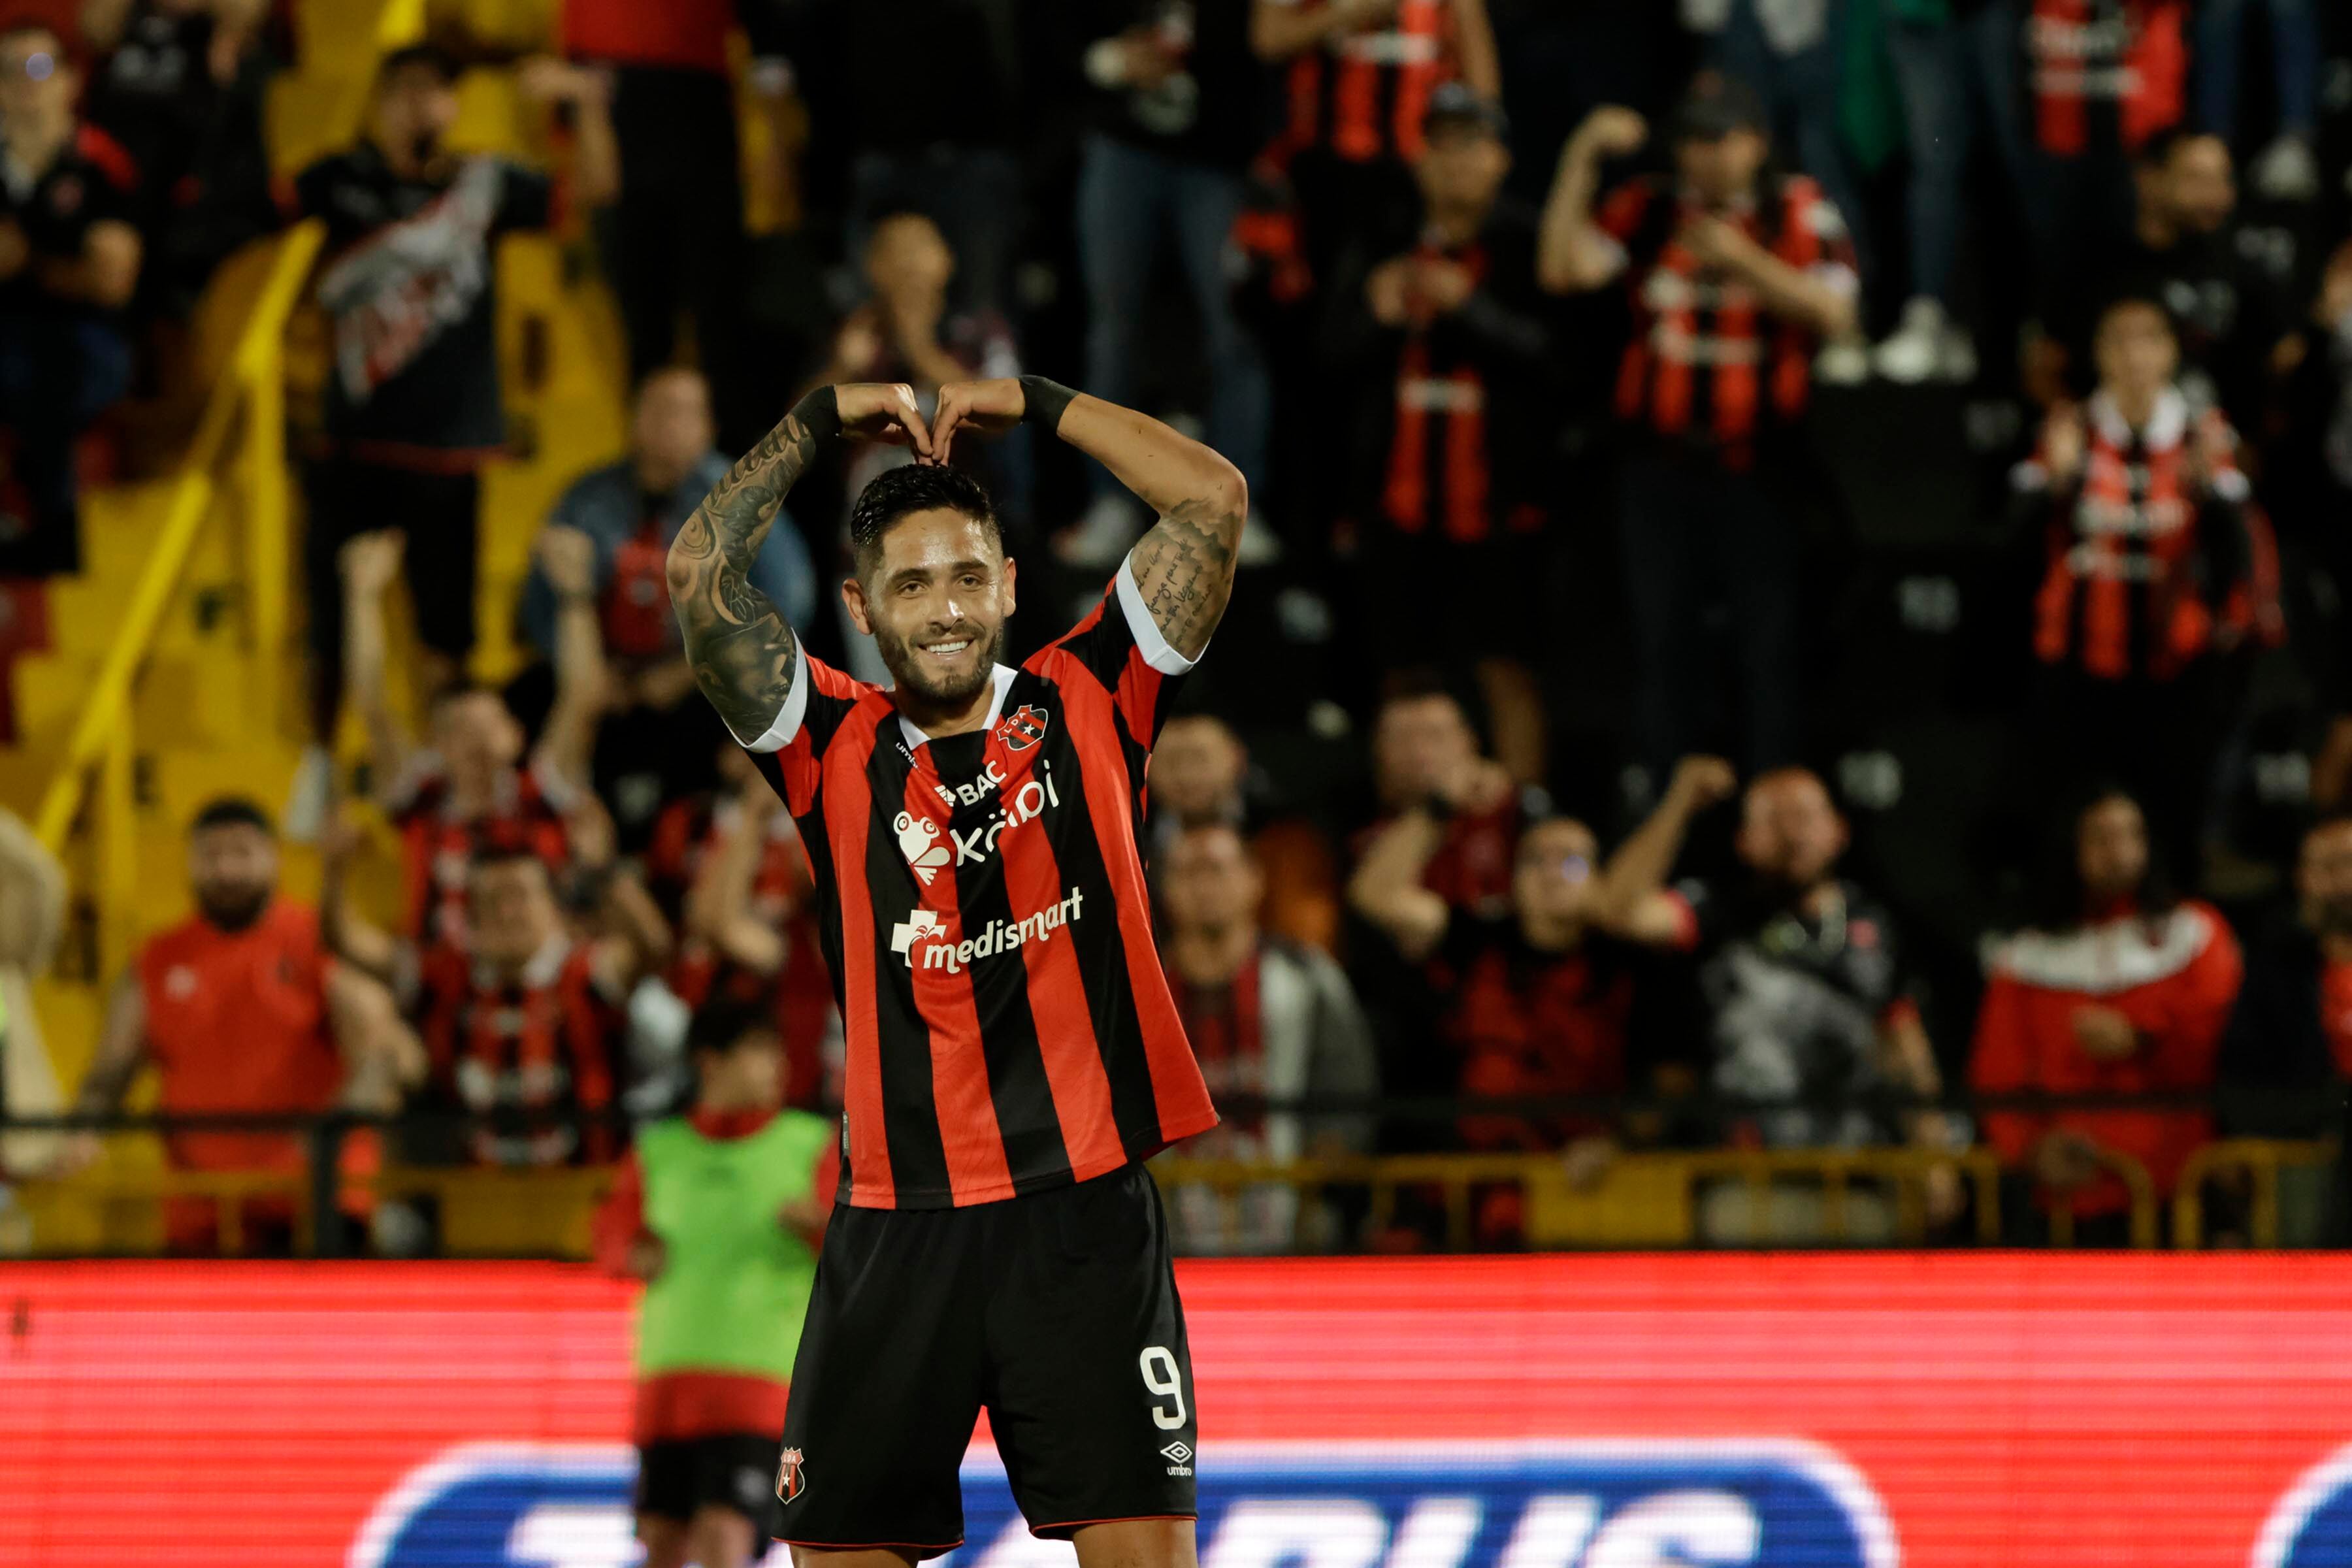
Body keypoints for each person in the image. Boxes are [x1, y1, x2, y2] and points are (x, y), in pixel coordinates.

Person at [668, 372, 1245, 1560]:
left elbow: (1213, 501)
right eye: (912, 582)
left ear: (1011, 586)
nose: (945, 607)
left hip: (1082, 1220)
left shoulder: (1093, 694)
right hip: (896, 1227)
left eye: (969, 575)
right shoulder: (826, 741)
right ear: (861, 609)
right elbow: (696, 580)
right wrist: (821, 417)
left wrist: (1032, 401)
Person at [287, 42, 615, 736]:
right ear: (379, 104)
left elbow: (592, 192)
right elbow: (259, 212)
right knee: (331, 620)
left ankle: (448, 769)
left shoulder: (484, 184)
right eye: (403, 90)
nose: (419, 105)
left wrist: (584, 107)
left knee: (449, 638)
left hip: (451, 450)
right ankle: (319, 760)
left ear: (454, 106)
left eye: (434, 91)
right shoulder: (338, 178)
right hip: (355, 443)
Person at [1537, 76, 1859, 784]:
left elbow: (1836, 314)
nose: (1706, 157)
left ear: (1756, 143)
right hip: (1660, 466)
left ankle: (1770, 808)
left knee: (1767, 649)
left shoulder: (1796, 209)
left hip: (1760, 465)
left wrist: (1741, 260)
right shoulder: (1651, 208)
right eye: (1693, 141)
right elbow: (1561, 268)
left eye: (1722, 139)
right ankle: (1666, 810)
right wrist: (1581, 157)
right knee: (1661, 645)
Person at [1598, 760, 1957, 1237]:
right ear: (1743, 840)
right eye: (1773, 819)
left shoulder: (1880, 926)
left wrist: (1937, 1163)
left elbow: (1906, 1051)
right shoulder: (1716, 912)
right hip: (1749, 1189)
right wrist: (1679, 804)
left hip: (1860, 1181)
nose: (1792, 833)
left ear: (1839, 831)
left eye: (1804, 815)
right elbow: (1618, 910)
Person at [61, 798, 416, 1254]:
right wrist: (81, 1132)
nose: (227, 869)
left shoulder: (320, 941)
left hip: (314, 1208)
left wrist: (329, 1141)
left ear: (274, 857)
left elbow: (381, 1055)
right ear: (190, 863)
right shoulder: (157, 960)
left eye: (242, 853)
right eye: (212, 855)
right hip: (202, 1214)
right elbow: (108, 1075)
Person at [1328, 84, 1553, 785]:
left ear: (1501, 159)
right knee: (1401, 675)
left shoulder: (1528, 243)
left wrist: (1471, 310)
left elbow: (1562, 362)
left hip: (1498, 497)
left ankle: (1526, 834)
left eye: (1470, 145)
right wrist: (1374, 313)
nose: (1453, 162)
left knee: (1506, 668)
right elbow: (1327, 356)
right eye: (1439, 145)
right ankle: (1398, 836)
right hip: (1396, 493)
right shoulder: (1382, 237)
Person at [515, 367, 817, 840]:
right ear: (634, 419)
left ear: (708, 427)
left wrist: (686, 674)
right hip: (601, 680)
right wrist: (589, 671)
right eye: (657, 410)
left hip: (699, 685)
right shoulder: (587, 498)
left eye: (684, 412)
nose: (668, 424)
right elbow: (537, 605)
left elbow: (788, 606)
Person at [2013, 293, 2251, 881]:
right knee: (2073, 806)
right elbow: (2016, 548)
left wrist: (2207, 493)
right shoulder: (2070, 429)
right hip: (2084, 662)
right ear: (2098, 354)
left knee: (2175, 810)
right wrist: (2058, 485)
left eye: (2148, 339)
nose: (2134, 355)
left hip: (2178, 665)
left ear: (2171, 352)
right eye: (2118, 340)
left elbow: (2237, 556)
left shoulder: (2203, 433)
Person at [592, 996, 838, 1568]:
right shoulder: (658, 1150)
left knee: (725, 1539)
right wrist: (630, 1252)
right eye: (759, 1051)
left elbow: (861, 1250)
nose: (777, 1066)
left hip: (760, 1389)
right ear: (710, 1063)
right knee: (661, 1543)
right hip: (668, 1388)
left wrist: (821, 1228)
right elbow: (610, 1239)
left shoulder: (812, 1144)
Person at [1352, 810, 1638, 1243]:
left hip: (1591, 1187)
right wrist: (1438, 805)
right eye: (1534, 861)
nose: (1551, 875)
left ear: (1601, 880)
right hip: (1463, 1184)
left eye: (1572, 863)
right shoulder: (1475, 938)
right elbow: (1374, 893)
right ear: (1512, 879)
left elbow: (1663, 1086)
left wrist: (1618, 1144)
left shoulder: (1628, 963)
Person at [1970, 789, 2242, 1242]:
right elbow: (1997, 1074)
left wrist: (2144, 1037)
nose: (2116, 852)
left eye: (2129, 835)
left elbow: (2219, 1041)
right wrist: (2031, 1150)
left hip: (2178, 1192)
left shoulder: (2195, 934)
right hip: (2067, 1202)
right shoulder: (2025, 958)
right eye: (2100, 837)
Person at [1062, 0, 1272, 570]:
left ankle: (1235, 508)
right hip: (1122, 145)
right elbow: (1061, 30)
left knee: (1234, 329)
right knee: (1113, 330)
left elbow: (1265, 37)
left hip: (1221, 155)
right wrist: (1111, 60)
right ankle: (1110, 502)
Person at [343, 527, 609, 948]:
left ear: (517, 737)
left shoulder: (543, 790)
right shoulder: (421, 796)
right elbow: (372, 704)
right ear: (437, 747)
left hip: (540, 976)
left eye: (488, 728)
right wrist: (362, 598)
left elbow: (582, 698)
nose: (477, 742)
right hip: (448, 991)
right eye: (460, 731)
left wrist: (575, 595)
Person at [561, 0, 792, 454]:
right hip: (614, 113)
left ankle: (732, 465)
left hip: (697, 110)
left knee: (718, 316)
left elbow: (767, 35)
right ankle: (652, 470)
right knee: (642, 322)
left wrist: (776, 128)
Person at [1158, 820, 1376, 1253]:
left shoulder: (1307, 977)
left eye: (1217, 870)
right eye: (1188, 873)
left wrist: (1324, 1164)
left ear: (1253, 880)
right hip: (1164, 1226)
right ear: (1164, 887)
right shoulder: (1134, 985)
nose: (1204, 888)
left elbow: (1350, 1090)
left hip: (1297, 1219)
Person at [406, 846, 660, 1168]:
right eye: (491, 900)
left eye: (519, 896)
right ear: (471, 916)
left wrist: (608, 876)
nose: (506, 913)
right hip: (475, 1192)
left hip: (582, 1188)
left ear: (554, 908)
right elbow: (362, 951)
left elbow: (652, 950)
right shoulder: (452, 976)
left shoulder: (586, 972)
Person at [0, 19, 140, 575]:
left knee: (56, 370)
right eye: (7, 71)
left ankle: (53, 534)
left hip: (81, 339)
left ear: (70, 81)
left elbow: (112, 280)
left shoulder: (98, 162)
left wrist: (26, 262)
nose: (23, 83)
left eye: (38, 68)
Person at [80, 0, 277, 323]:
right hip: (112, 194)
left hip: (190, 210)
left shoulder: (225, 35)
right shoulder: (127, 20)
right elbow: (93, 25)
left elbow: (249, 10)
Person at [1146, 711, 1340, 953]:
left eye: (1199, 758)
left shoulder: (1285, 836)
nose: (1186, 775)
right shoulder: (1128, 841)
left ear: (1236, 757)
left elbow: (1308, 933)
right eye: (1172, 761)